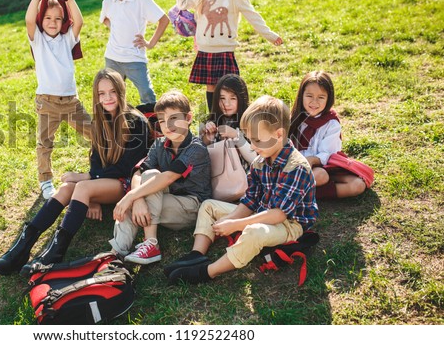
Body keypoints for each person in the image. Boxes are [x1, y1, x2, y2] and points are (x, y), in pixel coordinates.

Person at [0, 69, 150, 276]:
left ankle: (54, 253)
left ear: (121, 91)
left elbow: (128, 167)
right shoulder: (101, 120)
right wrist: (92, 193)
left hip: (128, 183)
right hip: (105, 182)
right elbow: (97, 162)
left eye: (112, 92)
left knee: (81, 185)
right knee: (66, 188)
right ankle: (21, 247)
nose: (107, 98)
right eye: (101, 93)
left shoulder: (135, 121)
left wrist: (89, 179)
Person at [165, 95, 318, 284]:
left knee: (253, 232)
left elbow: (278, 215)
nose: (252, 146)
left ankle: (207, 271)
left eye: (257, 140)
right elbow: (250, 200)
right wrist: (231, 219)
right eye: (249, 139)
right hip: (262, 211)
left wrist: (237, 225)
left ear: (278, 135)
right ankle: (196, 254)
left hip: (289, 224)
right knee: (208, 206)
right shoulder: (260, 161)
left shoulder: (297, 167)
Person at [175, 0, 283, 111]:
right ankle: (214, 119)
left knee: (229, 88)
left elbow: (252, 15)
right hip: (206, 49)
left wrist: (270, 35)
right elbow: (183, 4)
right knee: (211, 88)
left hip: (225, 49)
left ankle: (234, 120)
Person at [109, 90, 212, 265]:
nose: (167, 125)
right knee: (141, 189)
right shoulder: (159, 143)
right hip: (164, 199)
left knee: (151, 179)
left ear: (188, 118)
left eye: (173, 118)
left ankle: (151, 244)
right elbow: (138, 173)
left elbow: (168, 178)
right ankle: (116, 254)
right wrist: (137, 199)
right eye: (163, 121)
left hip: (192, 206)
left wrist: (131, 196)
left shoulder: (197, 149)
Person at [26, 0, 91, 200]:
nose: (52, 22)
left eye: (57, 18)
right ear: (40, 19)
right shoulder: (38, 40)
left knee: (95, 133)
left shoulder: (66, 39)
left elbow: (79, 22)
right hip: (47, 102)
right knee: (44, 143)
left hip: (71, 102)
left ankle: (101, 168)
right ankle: (45, 181)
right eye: (47, 18)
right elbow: (28, 21)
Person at [100, 0, 170, 104]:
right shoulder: (108, 1)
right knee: (113, 96)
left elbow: (164, 20)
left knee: (147, 94)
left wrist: (150, 43)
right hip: (112, 58)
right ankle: (118, 123)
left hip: (135, 58)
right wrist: (116, 28)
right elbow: (104, 19)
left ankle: (153, 125)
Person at [289, 71, 367, 199]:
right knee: (320, 176)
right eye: (309, 96)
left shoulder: (331, 123)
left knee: (357, 185)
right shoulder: (293, 119)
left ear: (328, 98)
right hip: (297, 169)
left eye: (321, 97)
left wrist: (313, 160)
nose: (314, 102)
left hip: (326, 167)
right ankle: (294, 191)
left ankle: (300, 194)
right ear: (301, 95)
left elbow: (329, 154)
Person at [200, 74, 256, 167]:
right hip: (215, 179)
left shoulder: (251, 122)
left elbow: (254, 159)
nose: (226, 103)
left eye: (233, 98)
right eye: (222, 98)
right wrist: (207, 139)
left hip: (243, 179)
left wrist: (236, 136)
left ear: (241, 99)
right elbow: (198, 157)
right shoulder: (209, 122)